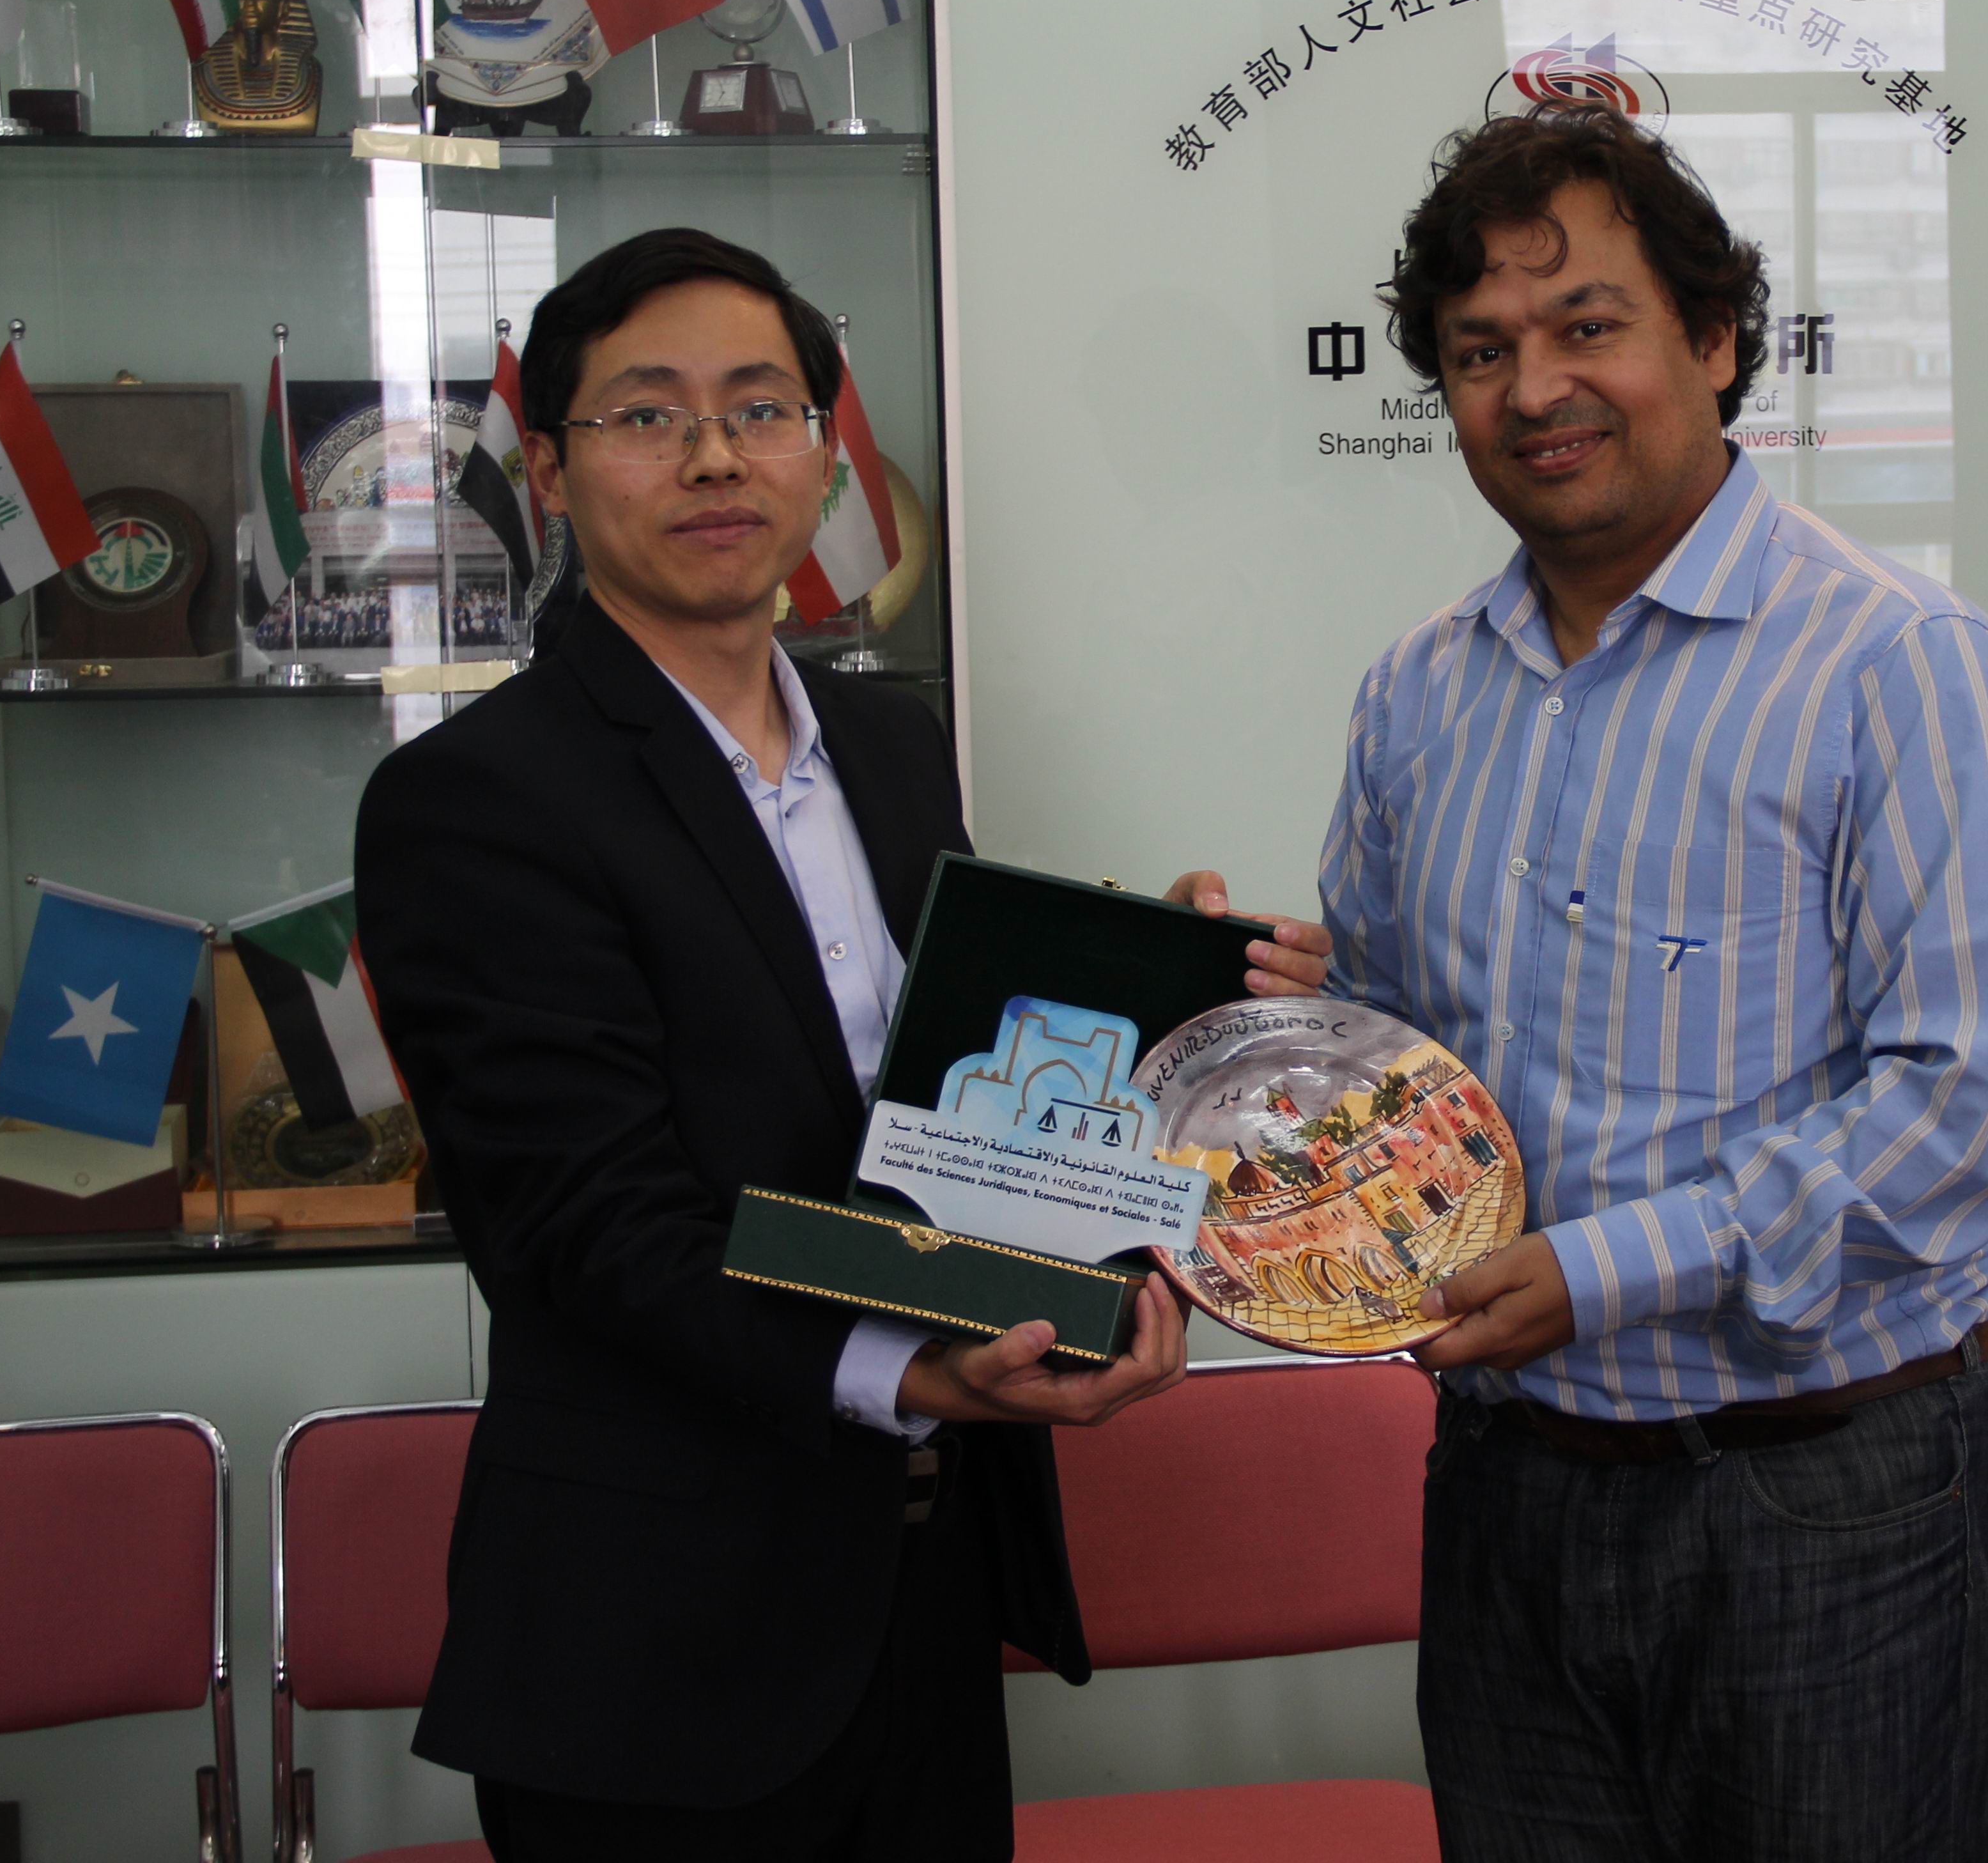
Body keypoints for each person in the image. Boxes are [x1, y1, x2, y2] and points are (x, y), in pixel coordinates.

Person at [354, 228, 1328, 1861]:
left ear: (823, 453)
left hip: (922, 1583)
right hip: (659, 1638)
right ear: (551, 469)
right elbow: (584, 1224)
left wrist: (1148, 999)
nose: (715, 455)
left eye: (763, 407)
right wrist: (908, 1370)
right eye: (647, 414)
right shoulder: (476, 798)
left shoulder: (885, 743)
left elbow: (928, 1105)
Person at [1323, 105, 1988, 1862]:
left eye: (1587, 326)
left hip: (1827, 1501)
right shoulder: (1418, 691)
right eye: (1479, 352)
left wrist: (1601, 1272)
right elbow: (1393, 1051)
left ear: (1717, 340)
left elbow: (1959, 1112)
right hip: (1508, 1489)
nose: (1534, 390)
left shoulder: (1902, 664)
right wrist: (1253, 1006)